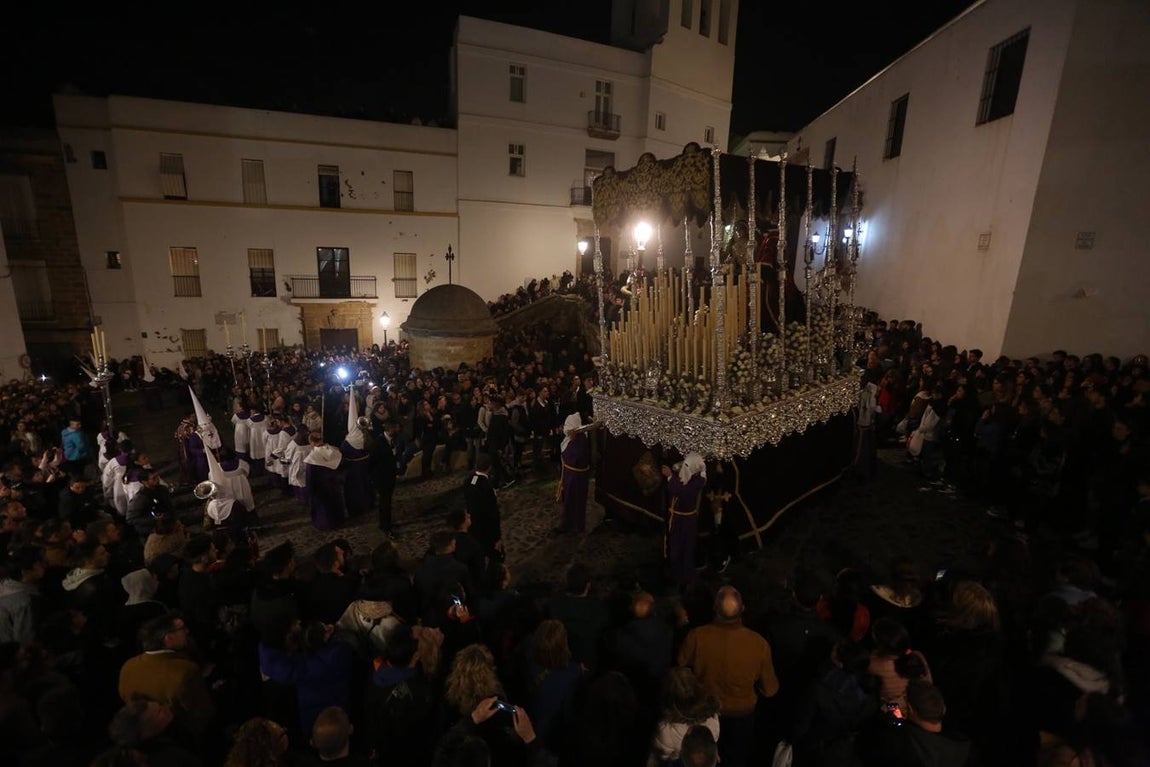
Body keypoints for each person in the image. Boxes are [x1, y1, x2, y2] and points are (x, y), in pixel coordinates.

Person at [677, 586, 779, 767]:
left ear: (715, 609)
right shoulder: (759, 644)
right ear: (743, 609)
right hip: (742, 716)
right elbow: (770, 689)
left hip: (704, 711)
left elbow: (680, 668)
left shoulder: (696, 636)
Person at [119, 613, 217, 738]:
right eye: (182, 629)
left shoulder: (128, 666)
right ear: (168, 638)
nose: (187, 632)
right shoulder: (186, 671)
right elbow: (203, 712)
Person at [661, 453, 707, 588]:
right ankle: (677, 573)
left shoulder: (695, 484)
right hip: (681, 519)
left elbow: (681, 492)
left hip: (684, 522)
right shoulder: (694, 477)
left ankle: (682, 578)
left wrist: (669, 476)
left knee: (683, 549)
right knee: (678, 548)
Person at [555, 413, 591, 534]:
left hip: (575, 478)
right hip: (571, 476)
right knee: (569, 501)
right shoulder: (576, 438)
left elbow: (575, 458)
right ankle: (569, 522)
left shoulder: (580, 440)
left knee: (575, 502)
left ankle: (573, 525)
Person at [339, 393, 373, 517]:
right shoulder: (365, 436)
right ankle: (368, 503)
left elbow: (343, 453)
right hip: (365, 464)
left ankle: (358, 507)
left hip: (353, 468)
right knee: (365, 485)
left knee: (355, 489)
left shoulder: (347, 442)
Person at [464, 452, 502, 562]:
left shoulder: (469, 480)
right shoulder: (487, 486)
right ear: (489, 467)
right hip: (486, 527)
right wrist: (497, 537)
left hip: (472, 525)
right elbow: (493, 513)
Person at [305, 432, 345, 531]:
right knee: (335, 503)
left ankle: (325, 524)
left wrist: (309, 491)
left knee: (324, 508)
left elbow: (310, 477)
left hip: (320, 487)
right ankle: (338, 520)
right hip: (334, 484)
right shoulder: (334, 450)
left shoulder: (312, 459)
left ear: (312, 442)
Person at [371, 418, 399, 538]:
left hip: (390, 475)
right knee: (384, 502)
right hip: (382, 477)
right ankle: (385, 526)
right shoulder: (379, 442)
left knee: (387, 501)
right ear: (390, 429)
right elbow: (374, 461)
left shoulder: (393, 439)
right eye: (395, 427)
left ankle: (386, 523)